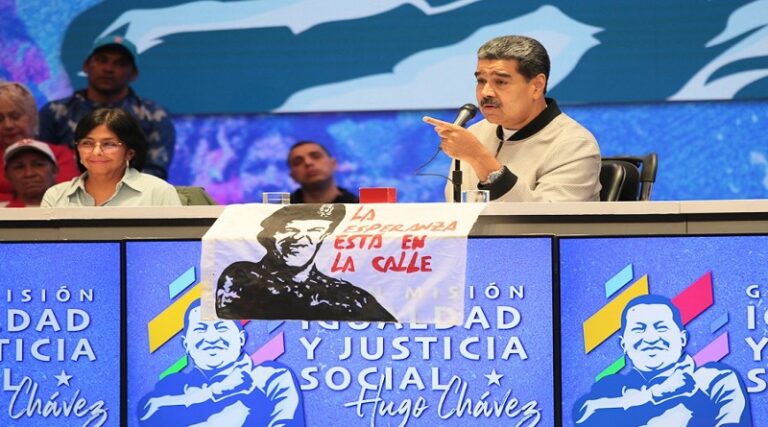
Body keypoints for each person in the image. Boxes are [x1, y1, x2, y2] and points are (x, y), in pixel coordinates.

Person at [422, 35, 601, 202]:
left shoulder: (574, 145)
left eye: (500, 82)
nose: (486, 92)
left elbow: (545, 219)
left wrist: (480, 158)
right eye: (481, 81)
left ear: (537, 86)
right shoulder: (475, 133)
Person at [573, 294, 752, 426]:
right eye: (639, 329)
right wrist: (659, 393)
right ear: (623, 345)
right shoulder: (610, 387)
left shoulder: (715, 380)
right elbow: (584, 416)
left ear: (682, 339)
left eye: (661, 327)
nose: (651, 338)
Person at [216, 204, 396, 322]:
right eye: (290, 230)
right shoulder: (242, 277)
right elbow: (232, 328)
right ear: (270, 236)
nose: (300, 239)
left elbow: (391, 333)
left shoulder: (348, 296)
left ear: (324, 237)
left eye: (314, 231)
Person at [138, 300, 305, 426]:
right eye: (200, 329)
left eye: (221, 327)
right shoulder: (173, 386)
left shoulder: (271, 378)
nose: (212, 338)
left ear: (241, 339)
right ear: (186, 344)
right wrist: (219, 391)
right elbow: (149, 414)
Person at [37, 35, 175, 180]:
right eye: (101, 60)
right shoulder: (55, 112)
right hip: (67, 191)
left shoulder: (153, 115)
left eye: (120, 63)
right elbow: (40, 164)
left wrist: (111, 189)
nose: (108, 69)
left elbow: (155, 172)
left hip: (133, 193)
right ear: (86, 66)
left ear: (133, 74)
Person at [41, 108, 181, 207]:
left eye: (109, 144)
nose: (96, 152)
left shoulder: (158, 192)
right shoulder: (55, 196)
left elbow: (176, 242)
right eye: (87, 143)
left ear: (130, 153)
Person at [0, 81, 79, 202]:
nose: (8, 125)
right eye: (0, 119)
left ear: (33, 117)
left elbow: (65, 196)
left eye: (15, 117)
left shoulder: (59, 154)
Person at [287, 140, 358, 203]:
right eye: (298, 162)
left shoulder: (360, 208)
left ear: (334, 164)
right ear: (292, 176)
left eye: (316, 156)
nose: (308, 163)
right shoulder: (281, 210)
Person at [2, 140, 59, 207]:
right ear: (7, 176)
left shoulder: (69, 208)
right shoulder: (2, 211)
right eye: (19, 167)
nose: (29, 174)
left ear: (54, 170)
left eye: (38, 164)